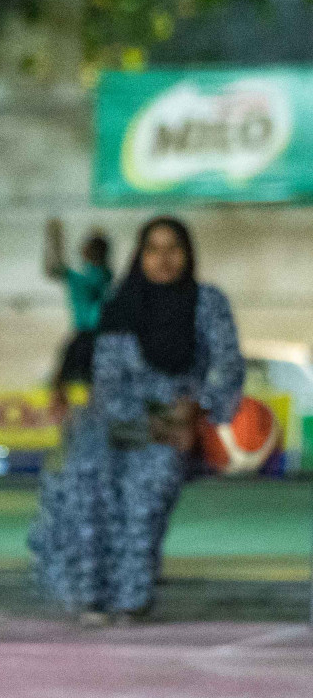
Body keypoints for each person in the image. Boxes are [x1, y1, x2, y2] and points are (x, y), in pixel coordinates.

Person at [29, 217, 243, 627]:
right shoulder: (120, 304)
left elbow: (227, 368)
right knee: (83, 479)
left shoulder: (207, 303)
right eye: (153, 249)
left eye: (173, 249)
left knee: (144, 487)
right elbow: (105, 379)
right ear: (139, 255)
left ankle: (131, 598)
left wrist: (193, 410)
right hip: (117, 422)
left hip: (176, 426)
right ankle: (90, 593)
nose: (163, 259)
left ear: (188, 254)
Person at [43, 219, 113, 413]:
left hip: (87, 335)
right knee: (90, 382)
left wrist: (53, 238)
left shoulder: (87, 278)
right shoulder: (105, 276)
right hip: (98, 336)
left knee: (61, 380)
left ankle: (65, 415)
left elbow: (52, 269)